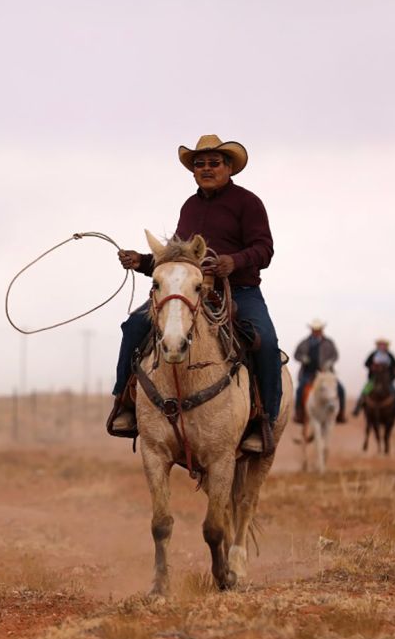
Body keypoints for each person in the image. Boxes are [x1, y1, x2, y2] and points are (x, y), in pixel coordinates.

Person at [110, 134, 281, 453]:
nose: (206, 168)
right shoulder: (188, 206)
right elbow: (177, 257)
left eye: (214, 163)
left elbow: (264, 249)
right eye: (199, 164)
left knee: (265, 342)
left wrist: (234, 261)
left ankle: (264, 421)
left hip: (240, 290)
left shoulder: (248, 202)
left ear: (229, 167)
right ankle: (125, 403)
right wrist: (143, 262)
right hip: (186, 289)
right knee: (134, 326)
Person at [292, 319, 346, 424]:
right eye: (314, 329)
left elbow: (335, 355)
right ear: (311, 330)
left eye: (318, 329)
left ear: (322, 330)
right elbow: (296, 355)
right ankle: (299, 414)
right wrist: (303, 358)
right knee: (300, 390)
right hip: (308, 373)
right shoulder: (304, 342)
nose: (316, 331)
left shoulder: (329, 343)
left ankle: (341, 415)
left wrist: (329, 362)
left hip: (326, 373)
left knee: (340, 389)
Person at [352, 338, 395, 417]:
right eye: (381, 344)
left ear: (386, 346)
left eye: (384, 345)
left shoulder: (389, 355)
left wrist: (390, 369)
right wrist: (372, 367)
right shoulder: (373, 354)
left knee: (394, 392)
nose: (382, 346)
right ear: (378, 346)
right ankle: (357, 408)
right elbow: (366, 363)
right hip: (374, 379)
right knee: (365, 391)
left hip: (387, 380)